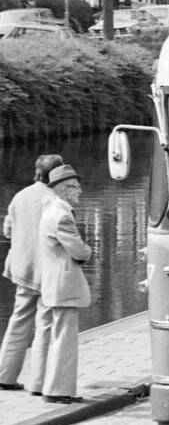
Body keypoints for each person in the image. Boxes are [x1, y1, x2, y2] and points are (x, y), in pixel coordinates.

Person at [26, 164, 92, 404]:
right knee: (64, 338)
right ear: (64, 189)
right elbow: (78, 251)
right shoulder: (62, 215)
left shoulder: (50, 210)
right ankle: (58, 390)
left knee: (48, 333)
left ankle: (40, 384)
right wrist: (88, 251)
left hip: (51, 282)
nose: (80, 191)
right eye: (76, 187)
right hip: (64, 284)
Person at [0, 153, 63, 391]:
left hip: (22, 268)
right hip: (47, 270)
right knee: (45, 324)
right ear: (56, 174)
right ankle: (38, 383)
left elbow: (8, 231)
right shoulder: (55, 200)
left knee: (18, 320)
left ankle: (4, 375)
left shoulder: (20, 196)